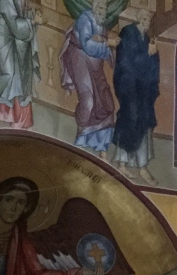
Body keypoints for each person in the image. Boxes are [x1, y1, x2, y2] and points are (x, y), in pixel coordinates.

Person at [61, 0, 119, 159]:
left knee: (106, 103)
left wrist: (109, 48)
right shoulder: (85, 19)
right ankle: (81, 140)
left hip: (96, 66)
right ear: (94, 7)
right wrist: (106, 44)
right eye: (100, 7)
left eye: (105, 8)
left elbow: (102, 46)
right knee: (88, 102)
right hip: (79, 61)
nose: (103, 11)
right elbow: (88, 45)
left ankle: (101, 148)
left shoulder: (102, 25)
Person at [112, 8, 161, 185]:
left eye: (149, 19)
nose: (147, 22)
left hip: (143, 92)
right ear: (139, 18)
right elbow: (126, 61)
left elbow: (152, 64)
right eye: (145, 18)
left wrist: (153, 55)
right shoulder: (128, 33)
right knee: (129, 121)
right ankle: (122, 163)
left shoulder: (146, 38)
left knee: (145, 123)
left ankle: (142, 166)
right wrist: (148, 54)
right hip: (129, 88)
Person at [0, 0, 42, 128]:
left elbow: (22, 15)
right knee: (8, 73)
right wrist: (32, 21)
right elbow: (15, 25)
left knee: (17, 77)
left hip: (13, 35)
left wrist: (32, 15)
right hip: (2, 33)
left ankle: (0, 113)